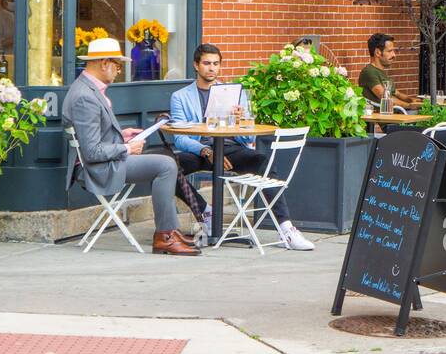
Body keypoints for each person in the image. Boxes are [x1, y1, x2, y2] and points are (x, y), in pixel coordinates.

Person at [169, 44, 314, 251]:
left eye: (216, 64)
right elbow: (180, 139)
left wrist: (239, 121)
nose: (211, 68)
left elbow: (246, 138)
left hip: (229, 149)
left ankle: (286, 229)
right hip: (200, 149)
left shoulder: (234, 93)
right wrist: (206, 151)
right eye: (207, 63)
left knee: (263, 161)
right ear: (196, 65)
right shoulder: (180, 97)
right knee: (169, 167)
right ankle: (206, 213)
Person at [62, 37, 198, 256]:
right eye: (117, 65)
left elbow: (96, 137)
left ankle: (170, 230)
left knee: (166, 157)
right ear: (104, 63)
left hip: (103, 163)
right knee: (165, 165)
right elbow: (92, 152)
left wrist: (121, 136)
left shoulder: (88, 89)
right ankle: (165, 236)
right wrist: (127, 149)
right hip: (97, 170)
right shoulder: (84, 97)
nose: (118, 70)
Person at [358, 32, 420, 110]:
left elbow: (397, 93)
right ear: (378, 52)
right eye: (390, 51)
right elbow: (386, 98)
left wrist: (412, 100)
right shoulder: (369, 72)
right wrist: (409, 106)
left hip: (394, 116)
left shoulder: (380, 72)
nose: (394, 55)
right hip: (381, 119)